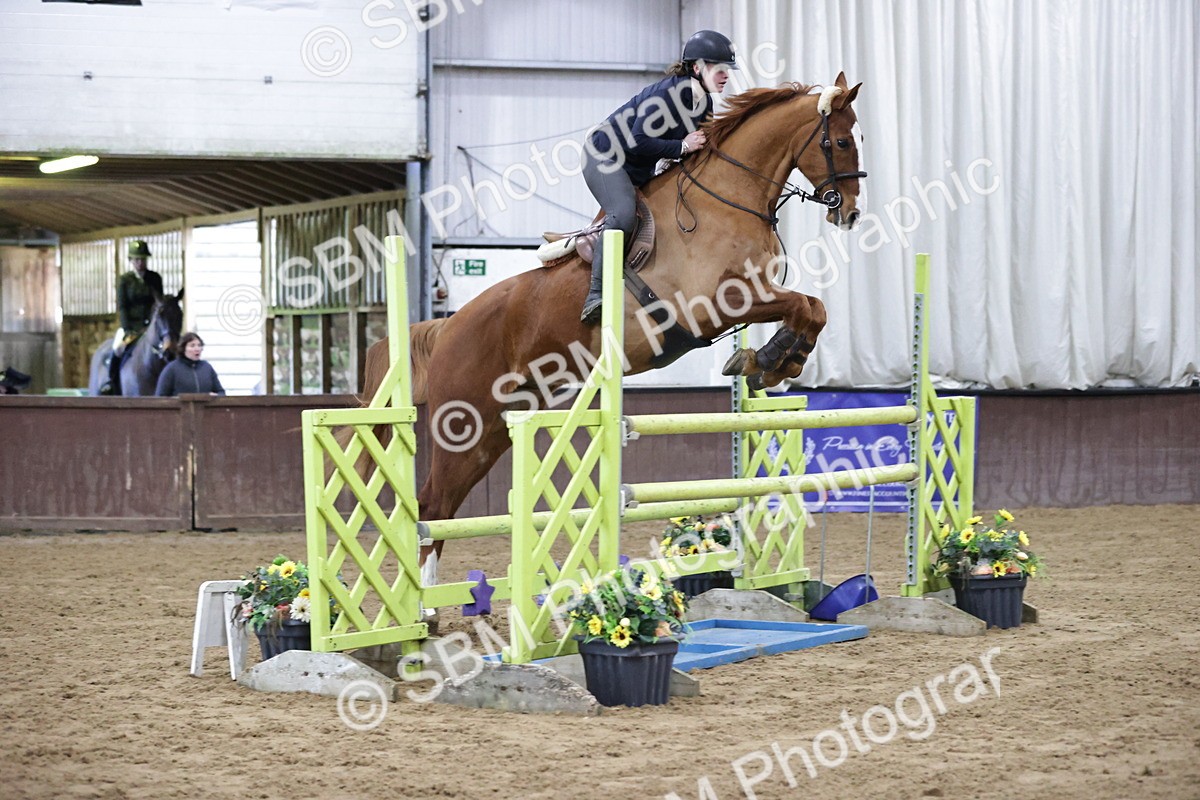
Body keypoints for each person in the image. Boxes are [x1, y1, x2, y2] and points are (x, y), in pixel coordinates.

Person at [579, 29, 737, 323]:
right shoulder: (667, 95)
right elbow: (638, 140)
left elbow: (700, 149)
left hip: (638, 167)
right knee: (623, 213)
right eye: (720, 69)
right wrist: (681, 147)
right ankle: (596, 295)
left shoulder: (704, 103)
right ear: (697, 68)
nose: (726, 76)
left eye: (728, 70)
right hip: (604, 157)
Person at [103, 240, 165, 394]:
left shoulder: (155, 278)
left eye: (142, 259)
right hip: (131, 327)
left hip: (151, 327)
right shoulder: (125, 280)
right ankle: (111, 381)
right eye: (136, 259)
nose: (140, 262)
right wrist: (127, 329)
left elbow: (159, 304)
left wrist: (153, 325)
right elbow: (123, 306)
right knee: (117, 349)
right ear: (131, 260)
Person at [155, 332, 226, 396]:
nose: (197, 349)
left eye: (199, 345)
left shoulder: (207, 367)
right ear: (183, 349)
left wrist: (215, 396)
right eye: (192, 346)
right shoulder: (171, 369)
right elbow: (160, 396)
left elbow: (221, 392)